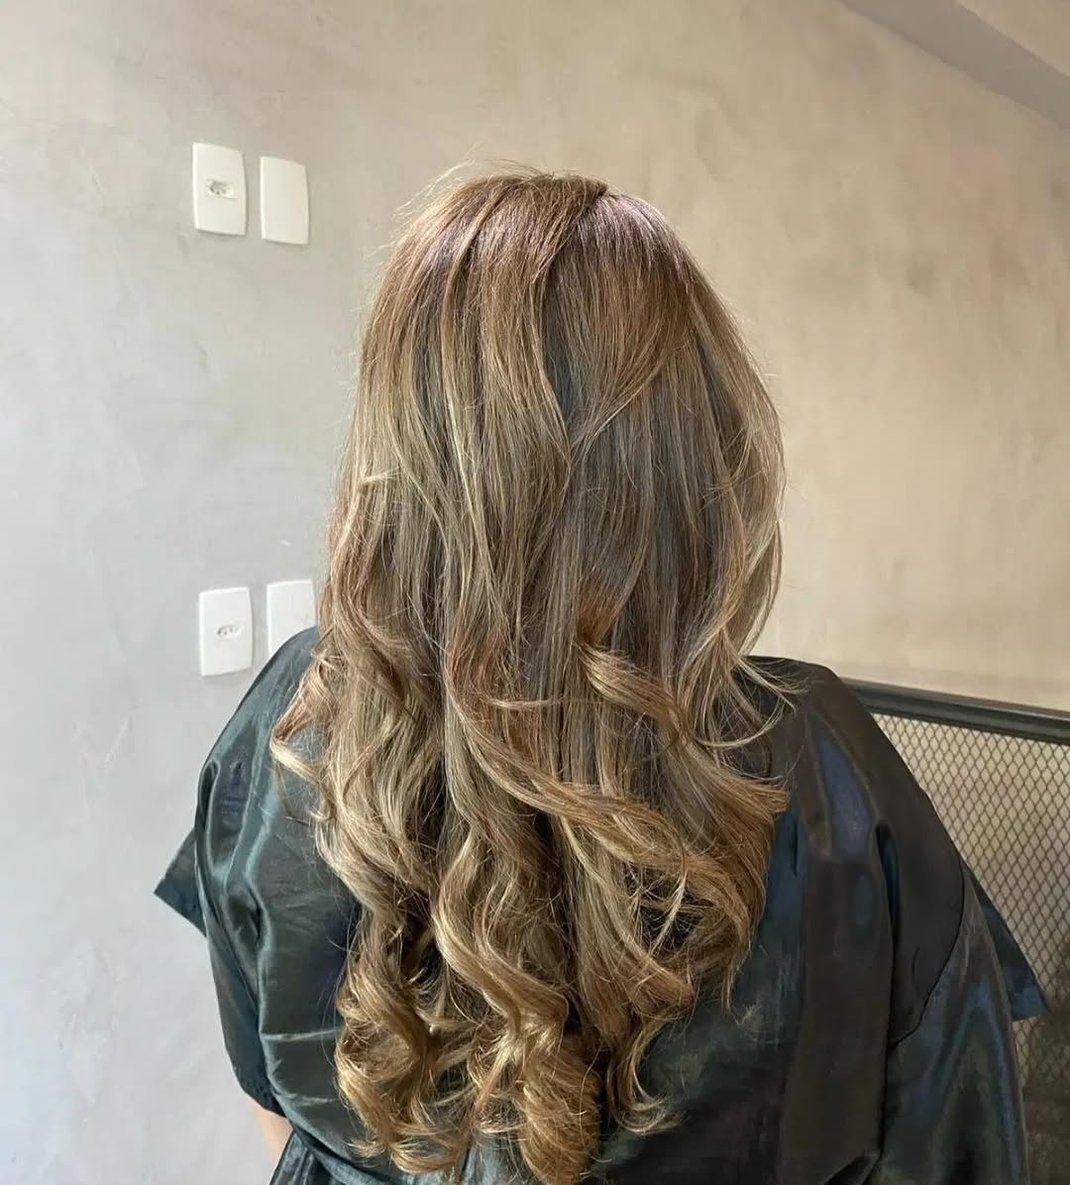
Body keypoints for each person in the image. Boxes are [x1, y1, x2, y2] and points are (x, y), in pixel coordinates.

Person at [158, 170, 1043, 1184]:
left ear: (399, 448)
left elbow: (273, 1106)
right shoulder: (819, 775)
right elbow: (956, 1140)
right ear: (696, 453)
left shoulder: (288, 727)